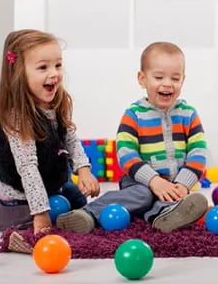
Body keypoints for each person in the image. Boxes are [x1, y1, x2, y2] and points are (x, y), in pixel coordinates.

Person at [57, 41, 208, 234]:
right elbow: (126, 154)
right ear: (142, 79)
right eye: (159, 77)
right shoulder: (134, 114)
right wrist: (153, 180)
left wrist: (183, 184)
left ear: (183, 80)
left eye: (175, 78)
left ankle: (163, 216)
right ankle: (87, 213)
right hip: (139, 181)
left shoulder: (189, 114)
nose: (168, 83)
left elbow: (198, 152)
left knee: (173, 198)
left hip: (174, 183)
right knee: (143, 196)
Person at [0, 29, 100, 237]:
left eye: (58, 65)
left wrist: (84, 169)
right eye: (43, 67)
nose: (54, 73)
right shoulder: (16, 116)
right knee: (31, 218)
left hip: (50, 181)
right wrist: (40, 212)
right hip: (19, 192)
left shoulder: (57, 101)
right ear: (19, 73)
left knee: (77, 200)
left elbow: (69, 137)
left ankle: (62, 212)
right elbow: (27, 168)